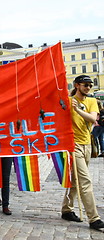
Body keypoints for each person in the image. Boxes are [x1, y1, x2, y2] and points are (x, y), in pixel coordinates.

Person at [61, 75, 104, 231]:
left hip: (87, 145)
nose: (88, 87)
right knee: (85, 181)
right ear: (76, 85)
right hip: (74, 146)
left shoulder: (91, 101)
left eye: (90, 85)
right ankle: (94, 218)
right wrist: (67, 105)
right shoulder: (67, 100)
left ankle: (66, 209)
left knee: (75, 180)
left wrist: (77, 109)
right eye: (85, 84)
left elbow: (92, 119)